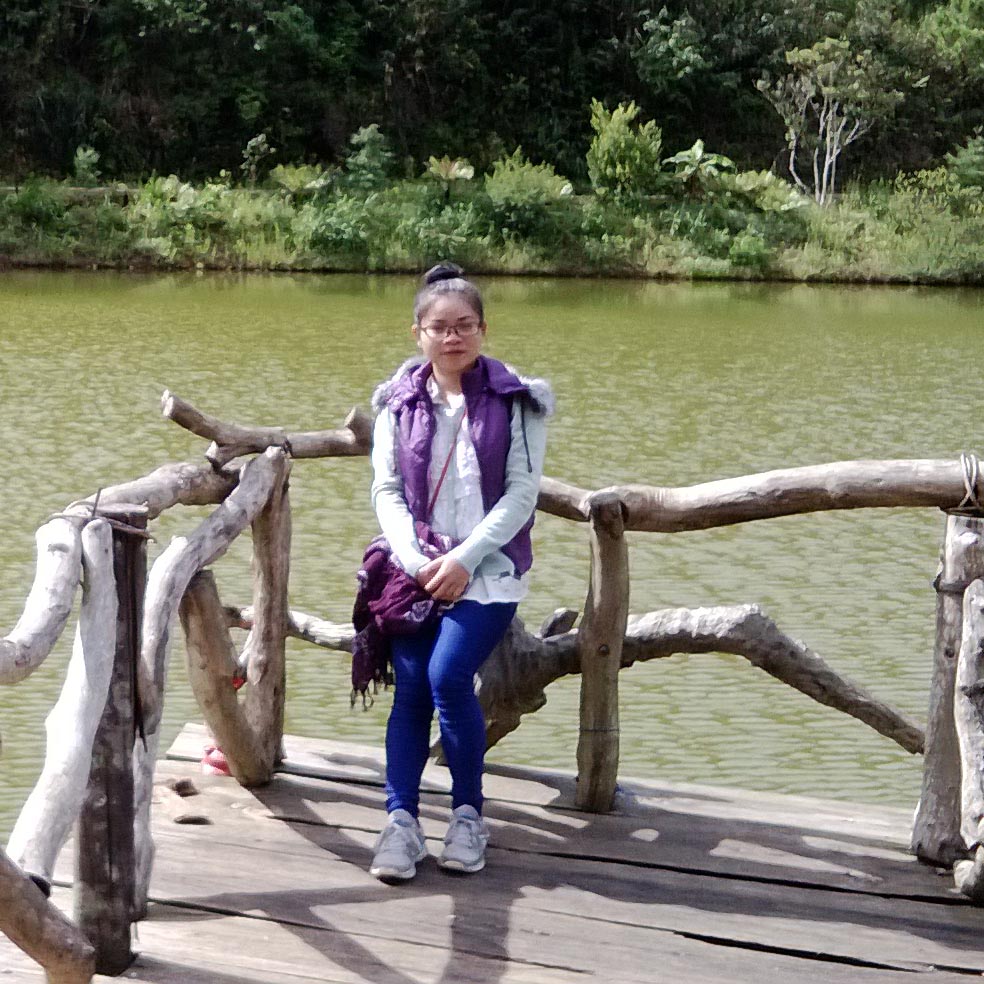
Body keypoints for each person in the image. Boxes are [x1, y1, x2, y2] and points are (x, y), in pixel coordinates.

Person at [362, 261, 551, 882]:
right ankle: (401, 822)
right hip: (413, 568)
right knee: (412, 685)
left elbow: (522, 493)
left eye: (464, 325)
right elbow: (387, 490)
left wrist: (464, 558)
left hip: (489, 569)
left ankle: (468, 816)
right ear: (418, 333)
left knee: (447, 675)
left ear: (483, 330)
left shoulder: (517, 401)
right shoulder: (397, 402)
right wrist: (418, 562)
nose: (452, 337)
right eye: (439, 327)